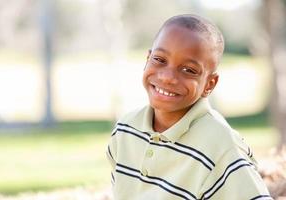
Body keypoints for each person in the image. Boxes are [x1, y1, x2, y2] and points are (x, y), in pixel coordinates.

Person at [106, 14, 272, 200]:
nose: (167, 77)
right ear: (147, 58)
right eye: (160, 60)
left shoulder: (220, 144)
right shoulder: (126, 129)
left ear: (209, 84)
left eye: (189, 70)